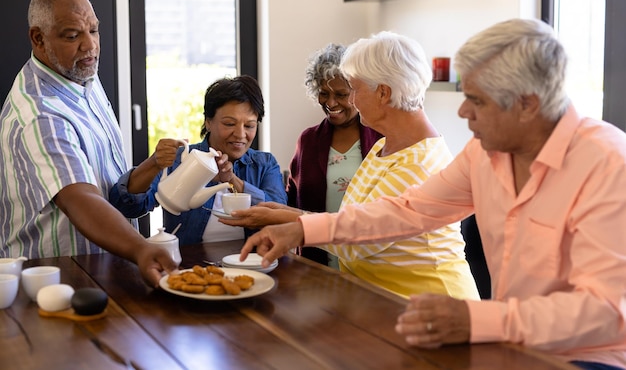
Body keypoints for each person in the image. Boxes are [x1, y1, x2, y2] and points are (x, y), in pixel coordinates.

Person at [239, 19, 626, 370]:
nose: (462, 113)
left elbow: (609, 311)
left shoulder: (608, 163)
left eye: (477, 100)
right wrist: (305, 230)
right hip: (512, 346)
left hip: (587, 358)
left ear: (527, 105)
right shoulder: (484, 152)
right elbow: (409, 210)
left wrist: (480, 320)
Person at [224, 32, 479, 300]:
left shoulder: (420, 162)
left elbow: (357, 243)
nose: (353, 101)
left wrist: (290, 222)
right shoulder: (384, 147)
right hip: (387, 304)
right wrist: (286, 211)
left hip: (436, 307)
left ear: (383, 92)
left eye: (354, 89)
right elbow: (354, 219)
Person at [0, 0, 177, 287]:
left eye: (93, 31)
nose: (90, 46)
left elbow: (106, 182)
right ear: (38, 38)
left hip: (103, 273)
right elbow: (80, 197)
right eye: (72, 36)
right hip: (56, 282)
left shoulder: (82, 76)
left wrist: (152, 167)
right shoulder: (39, 114)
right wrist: (140, 247)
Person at [109, 75, 287, 245]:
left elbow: (281, 218)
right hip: (190, 266)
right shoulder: (182, 160)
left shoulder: (264, 164)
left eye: (249, 125)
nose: (240, 134)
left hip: (253, 264)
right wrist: (154, 162)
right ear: (208, 122)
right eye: (229, 124)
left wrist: (232, 180)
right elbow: (126, 207)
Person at [288, 43, 382, 265]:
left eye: (341, 94)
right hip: (318, 262)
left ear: (358, 93)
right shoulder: (308, 140)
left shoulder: (382, 139)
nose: (330, 103)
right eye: (323, 93)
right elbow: (291, 199)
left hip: (368, 263)